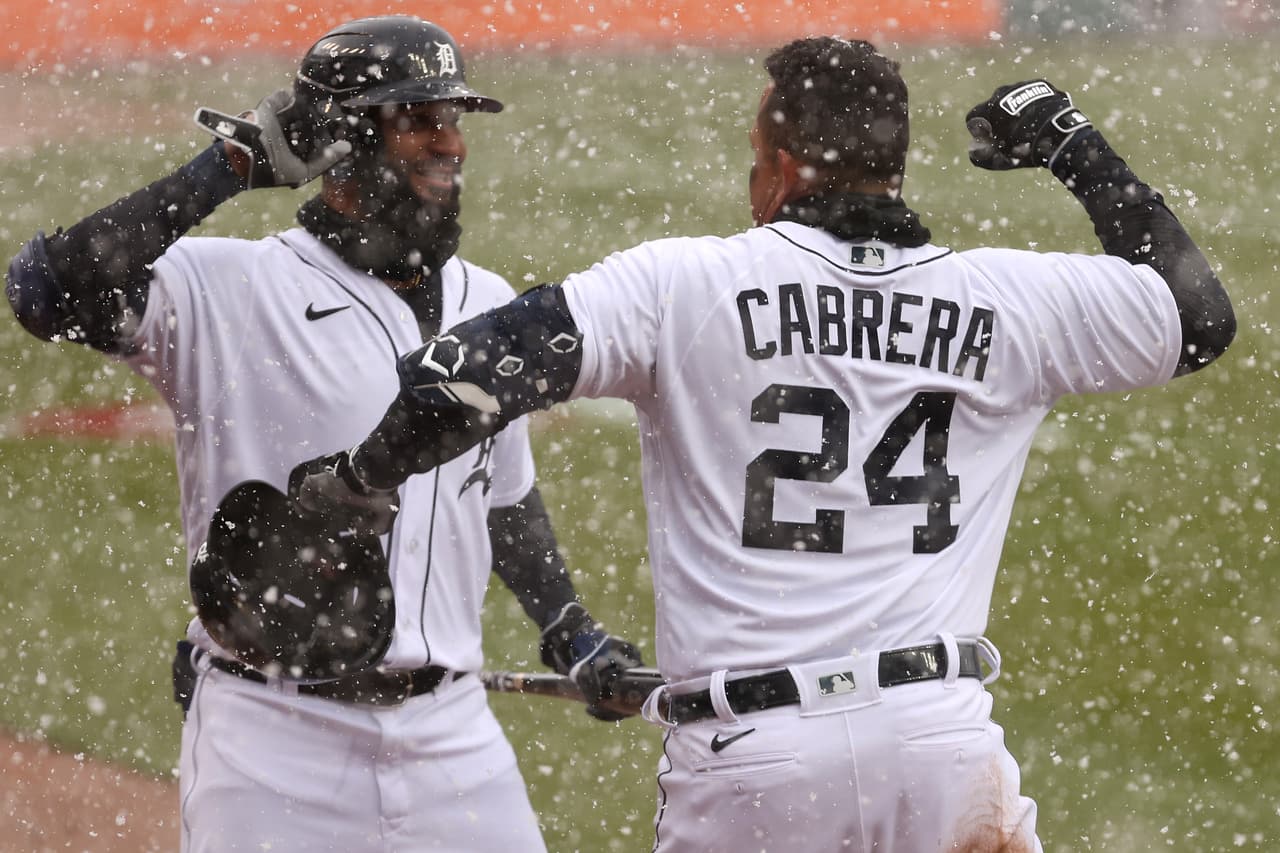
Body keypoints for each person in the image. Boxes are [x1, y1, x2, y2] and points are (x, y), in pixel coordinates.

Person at [289, 35, 1237, 851]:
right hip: (940, 745)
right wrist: (1074, 147)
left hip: (755, 762)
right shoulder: (1015, 299)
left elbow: (460, 377)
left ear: (781, 168)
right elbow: (1198, 316)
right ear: (892, 167)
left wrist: (360, 480)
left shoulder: (683, 286)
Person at [4, 15, 644, 853]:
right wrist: (227, 169)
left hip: (456, 742)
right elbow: (46, 290)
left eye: (453, 120)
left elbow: (503, 496)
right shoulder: (229, 289)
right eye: (420, 120)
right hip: (272, 743)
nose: (451, 143)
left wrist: (570, 629)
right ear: (342, 140)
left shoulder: (489, 305)